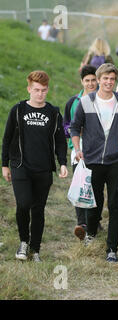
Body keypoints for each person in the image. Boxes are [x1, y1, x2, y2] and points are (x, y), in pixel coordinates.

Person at [2, 70, 68, 262]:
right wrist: (4, 165)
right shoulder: (18, 110)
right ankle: (23, 242)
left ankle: (35, 250)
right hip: (20, 165)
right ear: (29, 88)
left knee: (38, 209)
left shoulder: (53, 112)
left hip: (44, 168)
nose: (40, 94)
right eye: (37, 90)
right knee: (23, 204)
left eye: (44, 90)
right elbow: (7, 139)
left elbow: (60, 141)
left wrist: (62, 162)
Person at [70, 63, 118, 263]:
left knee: (114, 205)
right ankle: (91, 235)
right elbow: (75, 128)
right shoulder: (86, 102)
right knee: (94, 204)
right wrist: (78, 150)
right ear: (98, 79)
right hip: (92, 161)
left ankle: (112, 248)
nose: (108, 82)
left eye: (112, 79)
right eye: (105, 78)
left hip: (114, 161)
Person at [63, 65, 98, 240]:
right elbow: (66, 125)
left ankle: (94, 220)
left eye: (93, 80)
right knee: (80, 183)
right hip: (77, 149)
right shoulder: (73, 102)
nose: (91, 84)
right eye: (87, 81)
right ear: (82, 82)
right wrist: (74, 132)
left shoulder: (103, 99)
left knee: (94, 186)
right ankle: (81, 224)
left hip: (98, 150)